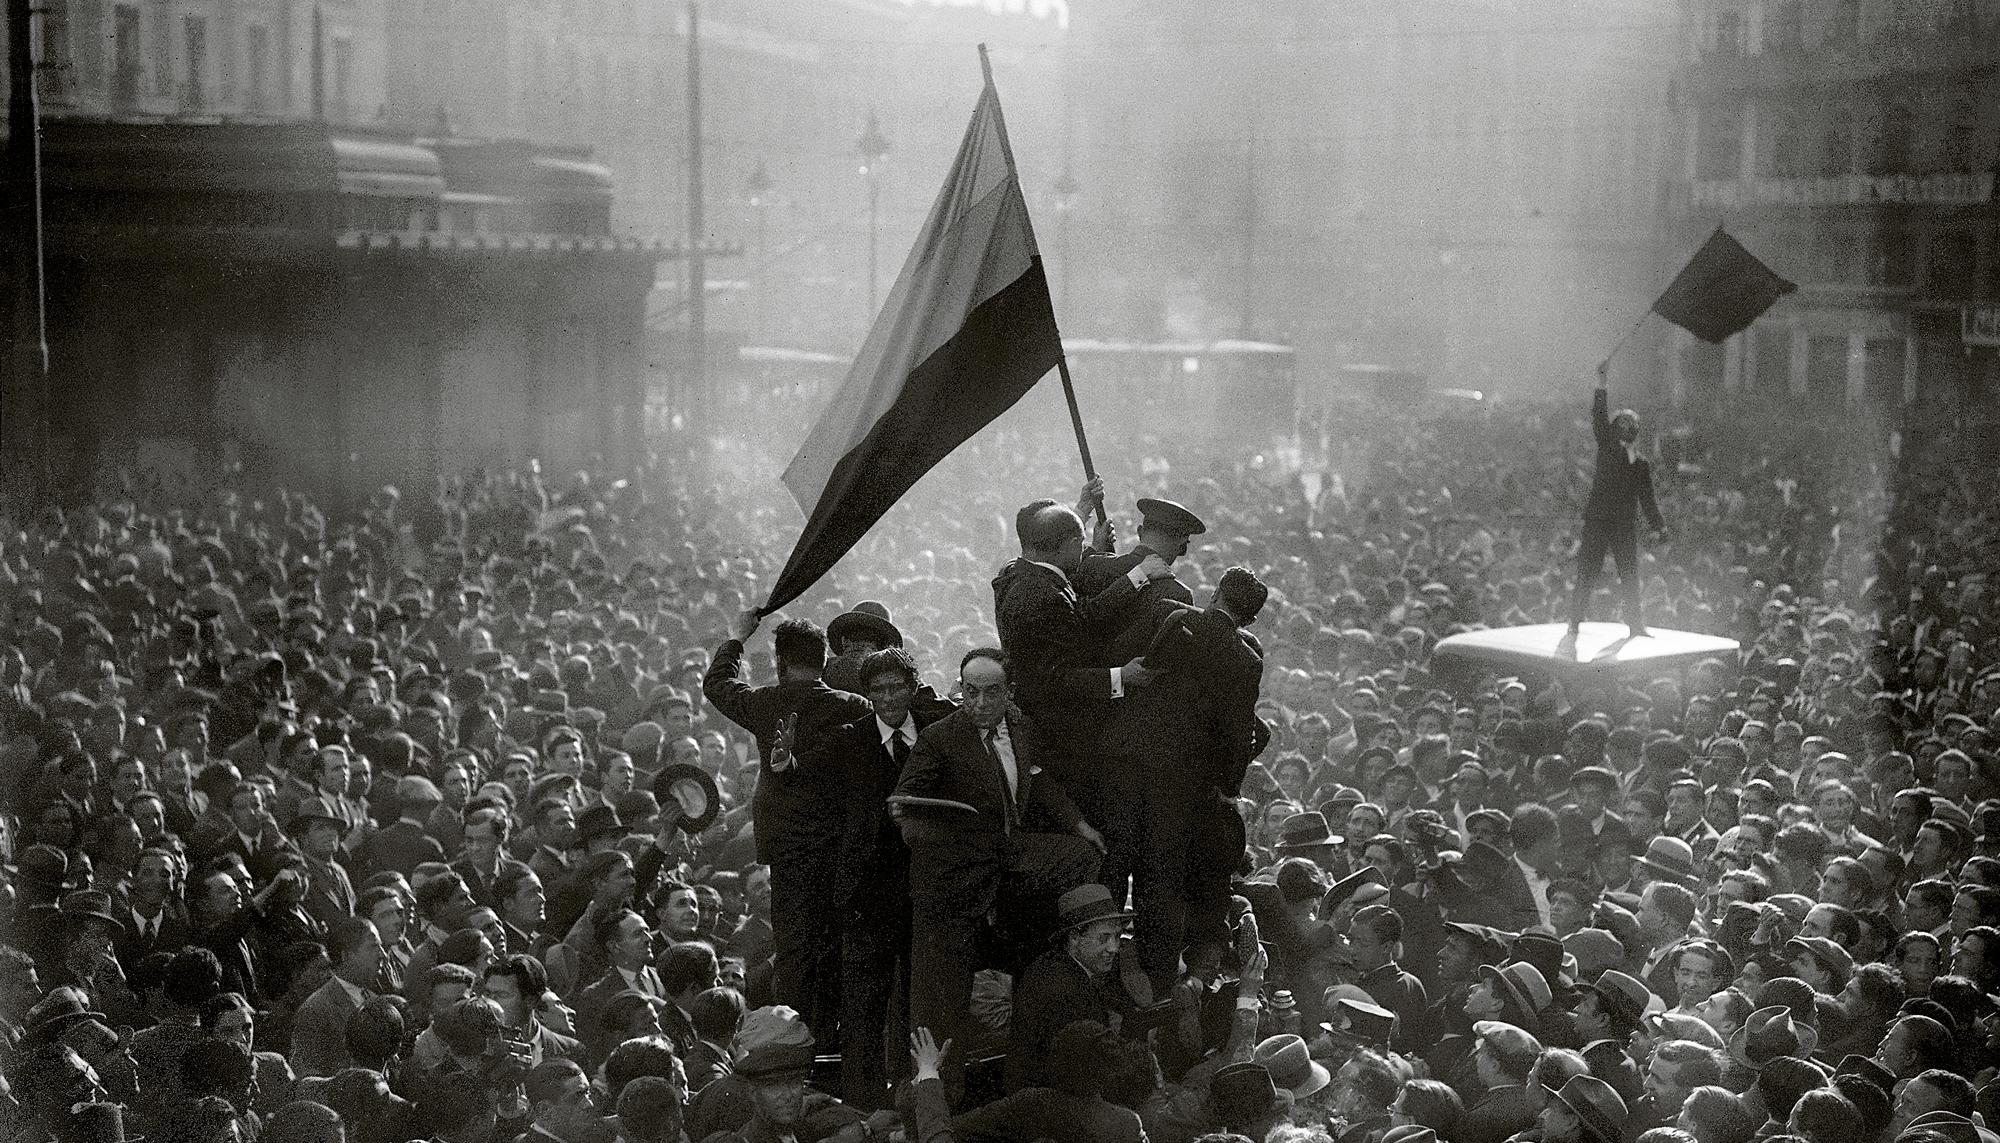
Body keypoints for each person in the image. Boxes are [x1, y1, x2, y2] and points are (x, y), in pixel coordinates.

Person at [894, 648, 1103, 1098]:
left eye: (992, 693)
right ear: (961, 689)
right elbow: (906, 809)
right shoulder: (938, 739)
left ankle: (1024, 1094)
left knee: (1080, 857)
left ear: (1009, 693)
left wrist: (1077, 823)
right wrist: (952, 843)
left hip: (1007, 869)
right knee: (939, 1012)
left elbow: (1039, 780)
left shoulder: (1022, 729)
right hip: (951, 888)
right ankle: (931, 1107)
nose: (980, 703)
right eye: (971, 692)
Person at [703, 612, 872, 1039]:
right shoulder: (854, 707)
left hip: (789, 855)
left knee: (795, 951)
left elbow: (717, 685)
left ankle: (798, 1037)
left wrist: (737, 639)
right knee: (839, 944)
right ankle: (839, 1036)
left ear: (780, 663)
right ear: (824, 660)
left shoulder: (765, 703)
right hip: (842, 851)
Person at [1568, 365, 1666, 637]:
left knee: (1630, 574)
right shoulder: (1607, 448)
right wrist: (1601, 385)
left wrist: (1659, 525)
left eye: (1629, 426)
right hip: (1599, 520)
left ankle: (1635, 624)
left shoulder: (1641, 463)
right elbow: (1598, 416)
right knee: (1588, 570)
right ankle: (1575, 620)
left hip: (1622, 524)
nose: (1625, 429)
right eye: (1621, 424)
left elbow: (1647, 498)